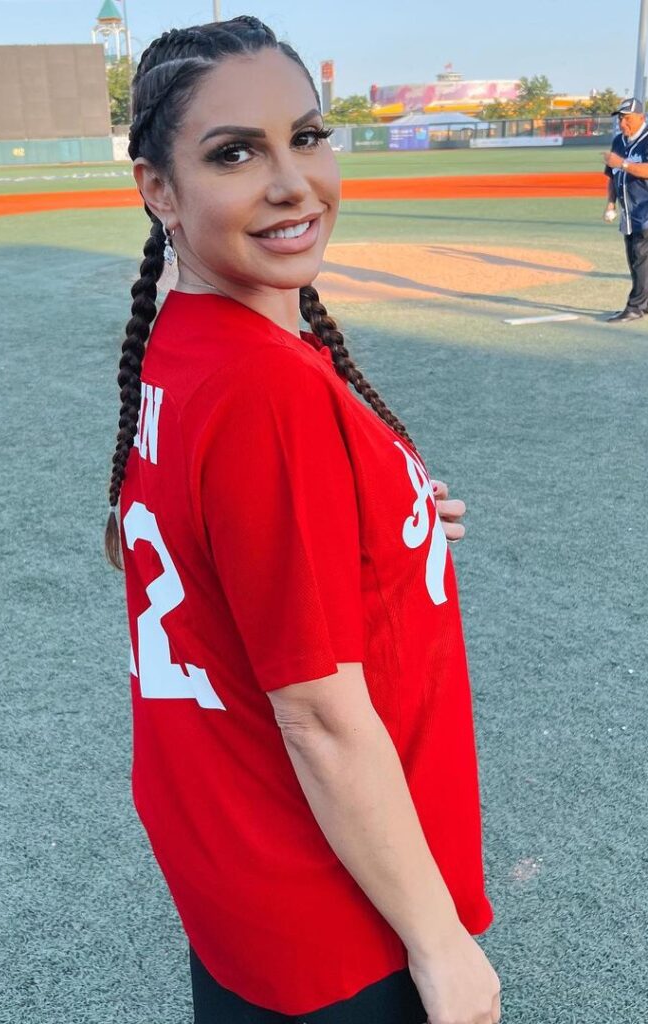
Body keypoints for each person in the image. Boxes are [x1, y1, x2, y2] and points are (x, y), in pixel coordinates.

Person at [103, 17, 500, 1024]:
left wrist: (386, 515)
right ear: (159, 190)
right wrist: (439, 944)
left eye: (307, 136)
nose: (291, 181)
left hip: (237, 871)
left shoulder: (188, 344)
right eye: (234, 153)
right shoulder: (263, 390)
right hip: (333, 907)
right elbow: (318, 717)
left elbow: (173, 534)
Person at [601, 97, 648, 322]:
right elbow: (612, 176)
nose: (623, 123)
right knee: (636, 259)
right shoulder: (618, 142)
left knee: (640, 257)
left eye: (627, 118)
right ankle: (647, 303)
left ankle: (635, 307)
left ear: (641, 117)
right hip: (629, 212)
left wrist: (622, 163)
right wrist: (611, 203)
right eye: (620, 119)